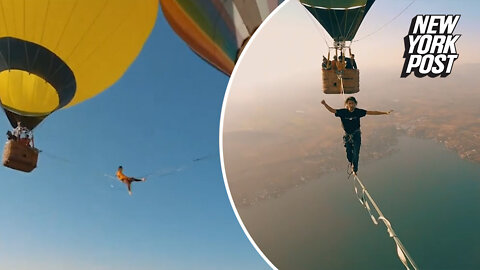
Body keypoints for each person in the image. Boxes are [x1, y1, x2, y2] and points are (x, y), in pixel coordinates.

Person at [321, 97, 393, 174]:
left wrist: (385, 113)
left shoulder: (358, 112)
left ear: (355, 104)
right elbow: (332, 110)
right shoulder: (343, 112)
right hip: (347, 135)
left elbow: (371, 112)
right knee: (349, 153)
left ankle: (355, 169)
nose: (351, 105)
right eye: (349, 103)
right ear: (347, 104)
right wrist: (325, 104)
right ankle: (351, 163)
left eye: (353, 103)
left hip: (356, 134)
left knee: (356, 152)